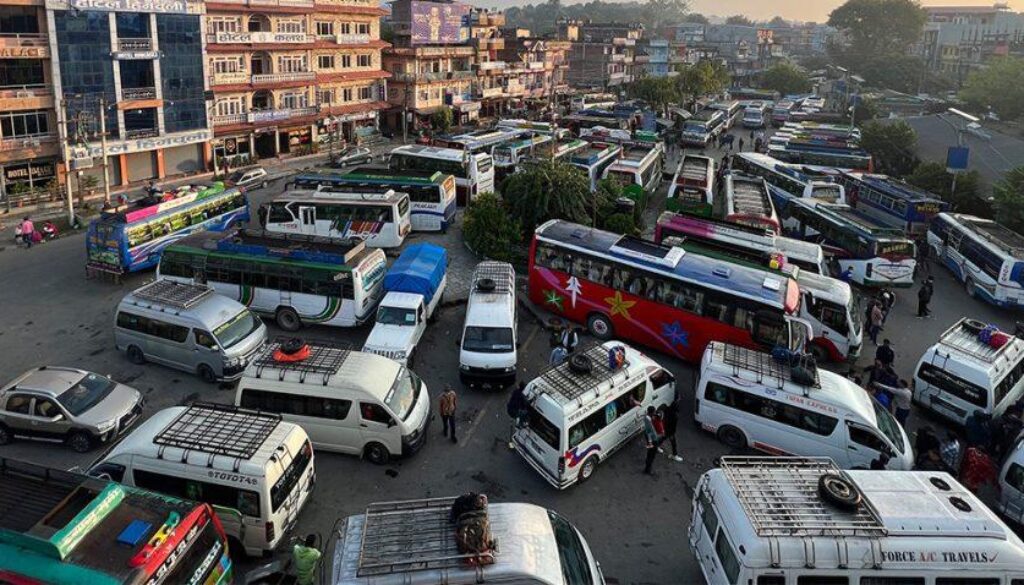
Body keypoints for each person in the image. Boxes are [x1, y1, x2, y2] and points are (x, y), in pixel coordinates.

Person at [506, 382, 529, 449]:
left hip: (509, 409)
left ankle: (520, 422)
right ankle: (520, 424)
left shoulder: (515, 391)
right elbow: (525, 404)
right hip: (513, 412)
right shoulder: (521, 396)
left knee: (522, 412)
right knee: (524, 413)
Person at [642, 406, 660, 475]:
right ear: (652, 413)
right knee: (651, 455)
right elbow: (650, 432)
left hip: (649, 437)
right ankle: (648, 469)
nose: (655, 413)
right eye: (654, 412)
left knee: (650, 453)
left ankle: (648, 468)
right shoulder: (649, 422)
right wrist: (650, 443)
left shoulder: (646, 417)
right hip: (652, 440)